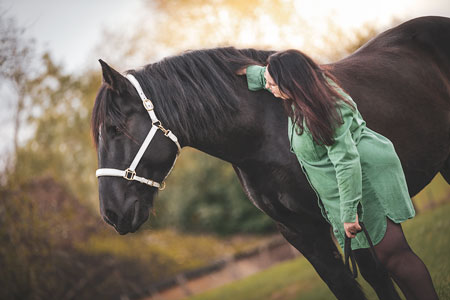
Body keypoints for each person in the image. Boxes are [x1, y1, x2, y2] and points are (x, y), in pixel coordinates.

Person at [237, 49, 438, 300]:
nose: (269, 88)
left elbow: (346, 161)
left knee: (394, 256)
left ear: (291, 82)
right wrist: (248, 72)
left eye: (273, 84)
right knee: (387, 260)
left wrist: (349, 212)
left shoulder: (325, 110)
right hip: (353, 180)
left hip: (365, 177)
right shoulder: (306, 92)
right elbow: (277, 77)